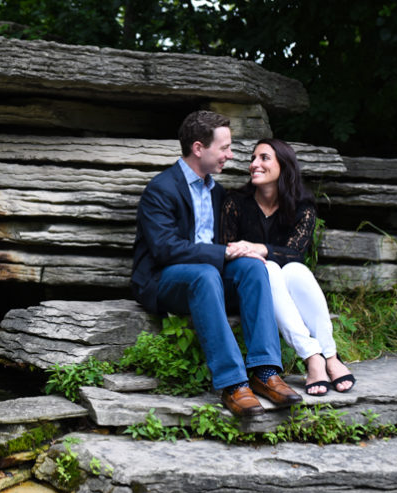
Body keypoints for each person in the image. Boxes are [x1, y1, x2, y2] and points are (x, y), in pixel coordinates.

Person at [130, 110, 302, 417]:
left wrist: (247, 250)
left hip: (208, 278)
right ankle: (232, 384)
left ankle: (265, 372)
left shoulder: (218, 192)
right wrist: (221, 254)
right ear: (199, 149)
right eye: (224, 148)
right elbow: (164, 249)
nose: (230, 155)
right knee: (206, 273)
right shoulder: (161, 189)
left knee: (252, 267)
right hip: (163, 280)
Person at [221, 138, 356, 395]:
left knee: (296, 270)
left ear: (284, 166)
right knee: (268, 269)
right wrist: (257, 256)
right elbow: (227, 249)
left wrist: (262, 248)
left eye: (263, 158)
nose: (254, 164)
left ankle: (329, 355)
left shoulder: (302, 207)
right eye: (253, 158)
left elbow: (296, 253)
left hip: (288, 282)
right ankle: (313, 356)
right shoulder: (235, 202)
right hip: (248, 290)